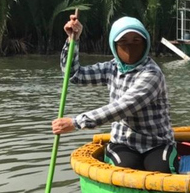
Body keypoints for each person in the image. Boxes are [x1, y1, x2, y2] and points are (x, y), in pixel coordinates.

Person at [51, 15, 179, 173]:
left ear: (145, 43)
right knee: (124, 171)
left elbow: (123, 107)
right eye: (123, 41)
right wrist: (73, 40)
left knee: (161, 172)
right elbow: (75, 75)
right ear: (114, 45)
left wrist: (76, 122)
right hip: (123, 142)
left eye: (136, 41)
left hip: (157, 143)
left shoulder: (152, 74)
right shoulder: (112, 67)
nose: (130, 46)